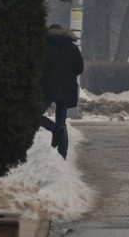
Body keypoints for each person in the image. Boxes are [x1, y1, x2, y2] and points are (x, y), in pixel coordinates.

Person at [41, 24, 84, 159]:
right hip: (67, 88)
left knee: (32, 114)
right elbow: (79, 68)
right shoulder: (72, 48)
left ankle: (53, 128)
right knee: (62, 121)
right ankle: (62, 155)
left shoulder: (44, 47)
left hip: (47, 87)